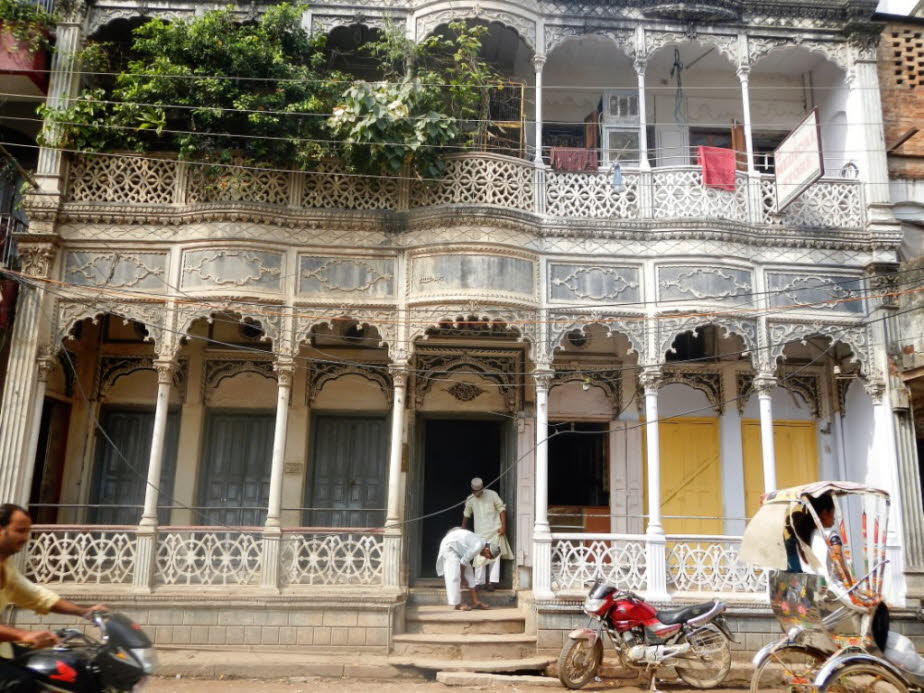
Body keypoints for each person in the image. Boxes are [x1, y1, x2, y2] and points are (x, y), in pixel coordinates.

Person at [0, 503, 107, 692]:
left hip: (3, 648)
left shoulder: (6, 567)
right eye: (20, 531)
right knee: (21, 684)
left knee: (57, 668)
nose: (25, 538)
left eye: (28, 532)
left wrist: (85, 612)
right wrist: (24, 634)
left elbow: (37, 595)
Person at [460, 478, 512, 591]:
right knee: (479, 557)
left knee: (494, 556)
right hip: (480, 534)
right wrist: (462, 530)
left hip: (495, 531)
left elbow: (502, 509)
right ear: (472, 490)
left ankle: (491, 583)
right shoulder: (470, 499)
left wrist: (503, 526)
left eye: (479, 491)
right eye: (475, 491)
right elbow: (466, 515)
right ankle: (479, 583)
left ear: (483, 488)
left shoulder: (492, 494)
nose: (477, 493)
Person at [435, 527, 500, 611]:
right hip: (449, 547)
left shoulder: (481, 543)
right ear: (487, 550)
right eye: (487, 556)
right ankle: (457, 604)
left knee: (469, 574)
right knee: (454, 574)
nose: (485, 557)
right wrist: (462, 578)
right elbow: (462, 563)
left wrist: (464, 577)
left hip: (459, 550)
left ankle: (475, 602)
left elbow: (464, 561)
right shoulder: (478, 546)